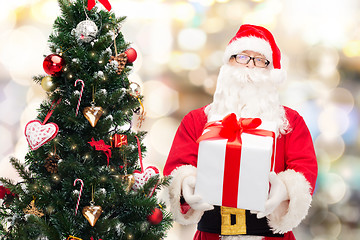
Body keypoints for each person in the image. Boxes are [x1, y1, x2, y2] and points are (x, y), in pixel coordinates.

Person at [163, 24, 318, 240]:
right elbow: (177, 167)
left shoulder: (290, 122)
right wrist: (185, 183)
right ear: (228, 63)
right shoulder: (197, 121)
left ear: (271, 71)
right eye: (242, 57)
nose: (250, 66)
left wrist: (284, 189)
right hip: (212, 233)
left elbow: (305, 170)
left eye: (260, 60)